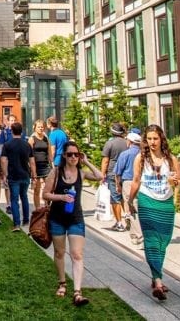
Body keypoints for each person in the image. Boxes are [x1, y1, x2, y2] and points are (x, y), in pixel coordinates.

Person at [43, 141, 103, 308]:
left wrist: (86, 162)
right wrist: (61, 197)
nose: (73, 157)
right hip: (57, 218)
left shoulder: (81, 173)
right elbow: (45, 194)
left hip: (76, 218)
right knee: (60, 252)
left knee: (77, 254)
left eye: (76, 154)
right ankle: (62, 283)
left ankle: (77, 292)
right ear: (64, 156)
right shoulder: (56, 172)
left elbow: (100, 177)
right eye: (70, 154)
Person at [128, 124, 180, 301]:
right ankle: (158, 282)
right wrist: (129, 200)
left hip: (165, 203)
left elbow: (177, 181)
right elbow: (136, 181)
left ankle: (154, 276)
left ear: (161, 139)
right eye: (149, 139)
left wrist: (174, 181)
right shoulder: (140, 158)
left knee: (163, 242)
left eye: (155, 139)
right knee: (151, 241)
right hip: (147, 202)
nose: (152, 142)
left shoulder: (170, 159)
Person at [0, 122, 35, 232]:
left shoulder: (8, 145)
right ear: (22, 131)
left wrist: (5, 174)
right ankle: (26, 220)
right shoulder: (27, 145)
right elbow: (32, 162)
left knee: (14, 199)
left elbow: (4, 160)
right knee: (24, 197)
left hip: (13, 174)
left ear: (12, 131)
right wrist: (34, 175)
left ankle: (16, 224)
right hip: (25, 174)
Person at [114, 131, 143, 245]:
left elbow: (118, 172)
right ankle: (134, 235)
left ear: (130, 142)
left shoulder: (125, 154)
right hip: (143, 183)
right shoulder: (143, 154)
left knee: (131, 208)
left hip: (129, 183)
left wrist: (118, 185)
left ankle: (139, 235)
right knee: (139, 207)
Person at [101, 123, 129, 231]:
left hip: (113, 173)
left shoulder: (109, 143)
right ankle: (128, 219)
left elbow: (105, 160)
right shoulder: (127, 143)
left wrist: (102, 174)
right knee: (124, 198)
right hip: (125, 174)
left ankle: (119, 223)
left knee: (115, 199)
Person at [28, 119, 52, 208]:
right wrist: (31, 168)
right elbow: (29, 154)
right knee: (37, 190)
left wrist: (52, 166)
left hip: (46, 166)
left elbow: (49, 153)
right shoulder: (32, 139)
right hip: (36, 167)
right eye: (39, 127)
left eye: (42, 127)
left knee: (48, 188)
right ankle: (37, 209)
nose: (41, 128)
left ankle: (47, 206)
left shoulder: (46, 139)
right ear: (35, 128)